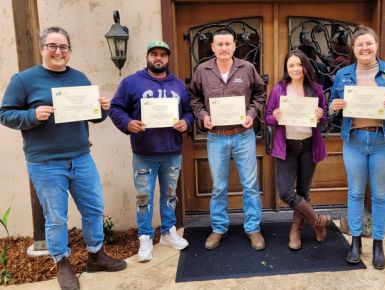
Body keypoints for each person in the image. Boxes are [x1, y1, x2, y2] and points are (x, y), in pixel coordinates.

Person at [0, 26, 126, 290]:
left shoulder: (79, 78)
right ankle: (63, 264)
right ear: (43, 48)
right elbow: (5, 114)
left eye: (64, 47)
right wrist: (32, 116)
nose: (58, 51)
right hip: (45, 163)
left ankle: (96, 255)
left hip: (80, 157)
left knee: (93, 209)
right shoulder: (23, 80)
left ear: (69, 51)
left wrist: (102, 110)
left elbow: (91, 116)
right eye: (53, 46)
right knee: (56, 217)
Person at [330, 25, 385, 270]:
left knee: (380, 194)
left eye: (368, 43)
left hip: (383, 140)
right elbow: (331, 102)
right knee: (354, 192)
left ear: (376, 45)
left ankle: (378, 243)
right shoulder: (343, 74)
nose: (364, 48)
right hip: (353, 140)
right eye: (359, 45)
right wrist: (335, 104)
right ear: (353, 49)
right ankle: (355, 241)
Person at [109, 40, 193, 262]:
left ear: (168, 58)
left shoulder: (178, 86)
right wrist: (127, 123)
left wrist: (186, 122)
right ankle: (145, 237)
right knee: (143, 197)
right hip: (144, 152)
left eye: (163, 55)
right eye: (154, 54)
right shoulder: (132, 83)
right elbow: (115, 108)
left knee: (169, 195)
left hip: (172, 151)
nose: (158, 58)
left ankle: (168, 232)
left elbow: (189, 112)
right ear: (147, 57)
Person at [189, 28, 267, 251]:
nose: (224, 48)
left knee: (250, 185)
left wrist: (252, 115)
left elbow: (261, 94)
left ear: (234, 46)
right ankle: (219, 228)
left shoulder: (248, 68)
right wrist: (203, 116)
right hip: (216, 137)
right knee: (219, 187)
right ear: (212, 47)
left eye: (227, 44)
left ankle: (253, 228)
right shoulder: (202, 70)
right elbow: (193, 97)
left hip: (243, 135)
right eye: (219, 44)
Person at [265, 50, 329, 250]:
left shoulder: (316, 89)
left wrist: (321, 116)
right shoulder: (279, 90)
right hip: (287, 146)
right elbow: (267, 118)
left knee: (303, 191)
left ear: (305, 66)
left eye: (299, 64)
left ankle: (295, 232)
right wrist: (275, 117)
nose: (295, 69)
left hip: (309, 146)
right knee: (285, 192)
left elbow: (325, 121)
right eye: (291, 65)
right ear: (287, 68)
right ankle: (318, 220)